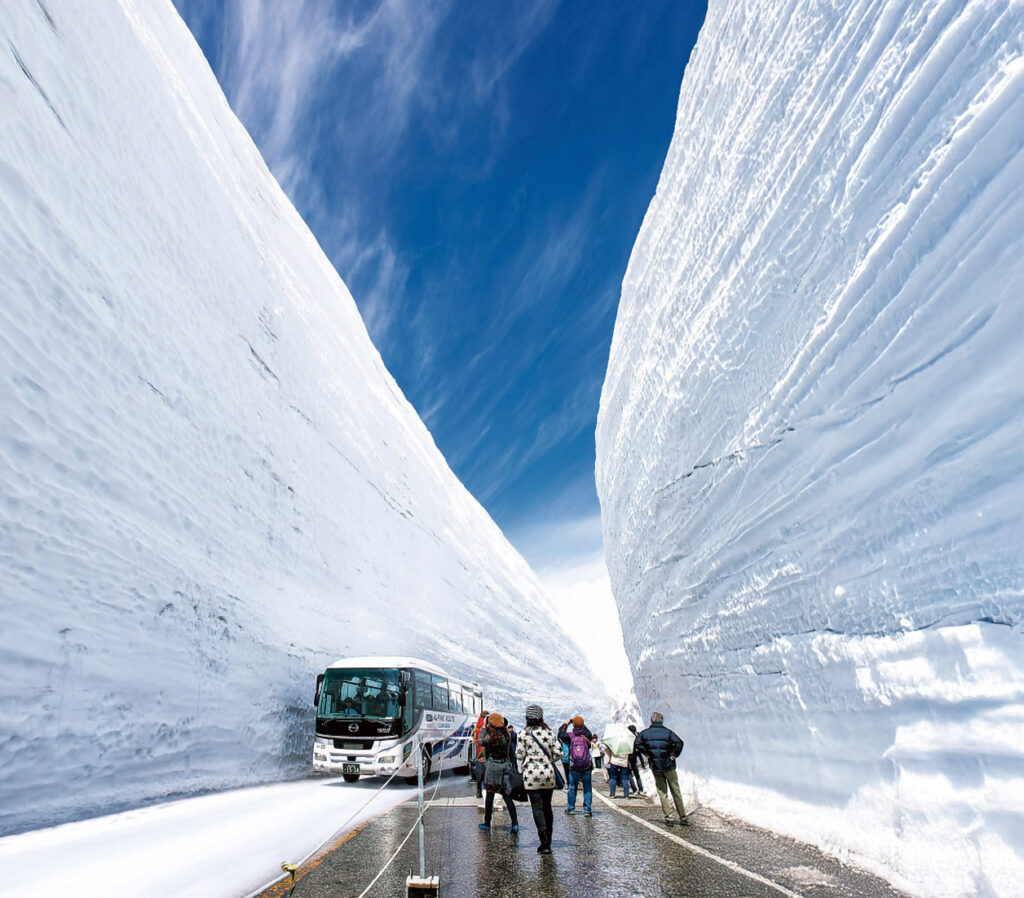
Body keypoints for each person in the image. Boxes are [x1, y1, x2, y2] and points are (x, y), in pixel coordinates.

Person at [516, 704, 560, 854]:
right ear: (541, 716)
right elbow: (559, 752)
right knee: (547, 806)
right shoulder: (549, 732)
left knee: (537, 807)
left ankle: (544, 843)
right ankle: (549, 840)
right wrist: (548, 760)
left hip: (531, 775)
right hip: (548, 774)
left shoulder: (523, 734)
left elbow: (519, 755)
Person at [634, 711, 690, 826]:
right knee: (676, 791)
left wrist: (647, 753)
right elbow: (679, 743)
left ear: (651, 721)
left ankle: (669, 817)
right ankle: (682, 817)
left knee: (662, 792)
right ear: (662, 721)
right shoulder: (668, 732)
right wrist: (673, 754)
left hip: (655, 766)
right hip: (669, 765)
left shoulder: (645, 734)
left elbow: (637, 744)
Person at [478, 712, 519, 834]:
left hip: (492, 768)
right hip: (504, 767)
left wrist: (483, 728)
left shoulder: (489, 737)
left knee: (490, 796)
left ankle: (487, 822)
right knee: (507, 796)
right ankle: (515, 824)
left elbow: (480, 741)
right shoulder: (507, 736)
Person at [558, 715, 594, 817]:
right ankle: (587, 810)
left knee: (572, 787)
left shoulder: (570, 736)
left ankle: (571, 808)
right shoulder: (587, 736)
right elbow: (588, 732)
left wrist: (566, 723)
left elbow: (560, 734)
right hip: (586, 766)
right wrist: (582, 725)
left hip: (574, 766)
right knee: (587, 788)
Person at [472, 709, 489, 798]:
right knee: (487, 772)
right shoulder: (488, 727)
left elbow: (475, 740)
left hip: (479, 752)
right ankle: (486, 791)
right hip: (487, 752)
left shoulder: (477, 727)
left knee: (480, 772)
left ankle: (478, 791)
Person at [626, 724, 646, 795]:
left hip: (628, 757)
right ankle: (641, 789)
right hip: (635, 756)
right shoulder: (637, 737)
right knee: (637, 774)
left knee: (629, 774)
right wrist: (642, 763)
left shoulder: (627, 738)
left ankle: (634, 789)